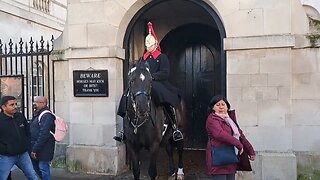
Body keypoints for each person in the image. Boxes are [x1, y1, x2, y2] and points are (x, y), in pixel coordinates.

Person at [114, 22, 183, 142]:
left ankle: (174, 126)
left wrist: (151, 77)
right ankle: (124, 130)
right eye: (147, 45)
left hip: (158, 82)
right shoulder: (142, 59)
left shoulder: (162, 57)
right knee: (127, 94)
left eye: (150, 45)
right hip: (143, 83)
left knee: (164, 98)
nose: (148, 47)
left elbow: (165, 73)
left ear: (155, 44)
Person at [206, 95, 256, 180]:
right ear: (213, 108)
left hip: (230, 158)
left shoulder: (230, 120)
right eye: (217, 105)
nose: (221, 107)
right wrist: (238, 145)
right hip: (218, 158)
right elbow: (220, 134)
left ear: (227, 106)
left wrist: (251, 151)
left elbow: (240, 136)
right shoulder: (212, 120)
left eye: (223, 104)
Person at [0, 96, 38, 180]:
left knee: (32, 176)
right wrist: (6, 149)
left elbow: (27, 132)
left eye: (16, 104)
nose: (15, 106)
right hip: (6, 156)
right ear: (3, 107)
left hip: (23, 154)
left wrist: (27, 145)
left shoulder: (20, 116)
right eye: (12, 105)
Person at [30, 96, 56, 180]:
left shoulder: (46, 115)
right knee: (36, 166)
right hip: (37, 145)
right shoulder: (38, 113)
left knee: (43, 167)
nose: (34, 104)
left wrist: (35, 149)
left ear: (44, 103)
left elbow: (44, 133)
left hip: (44, 146)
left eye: (37, 102)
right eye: (34, 102)